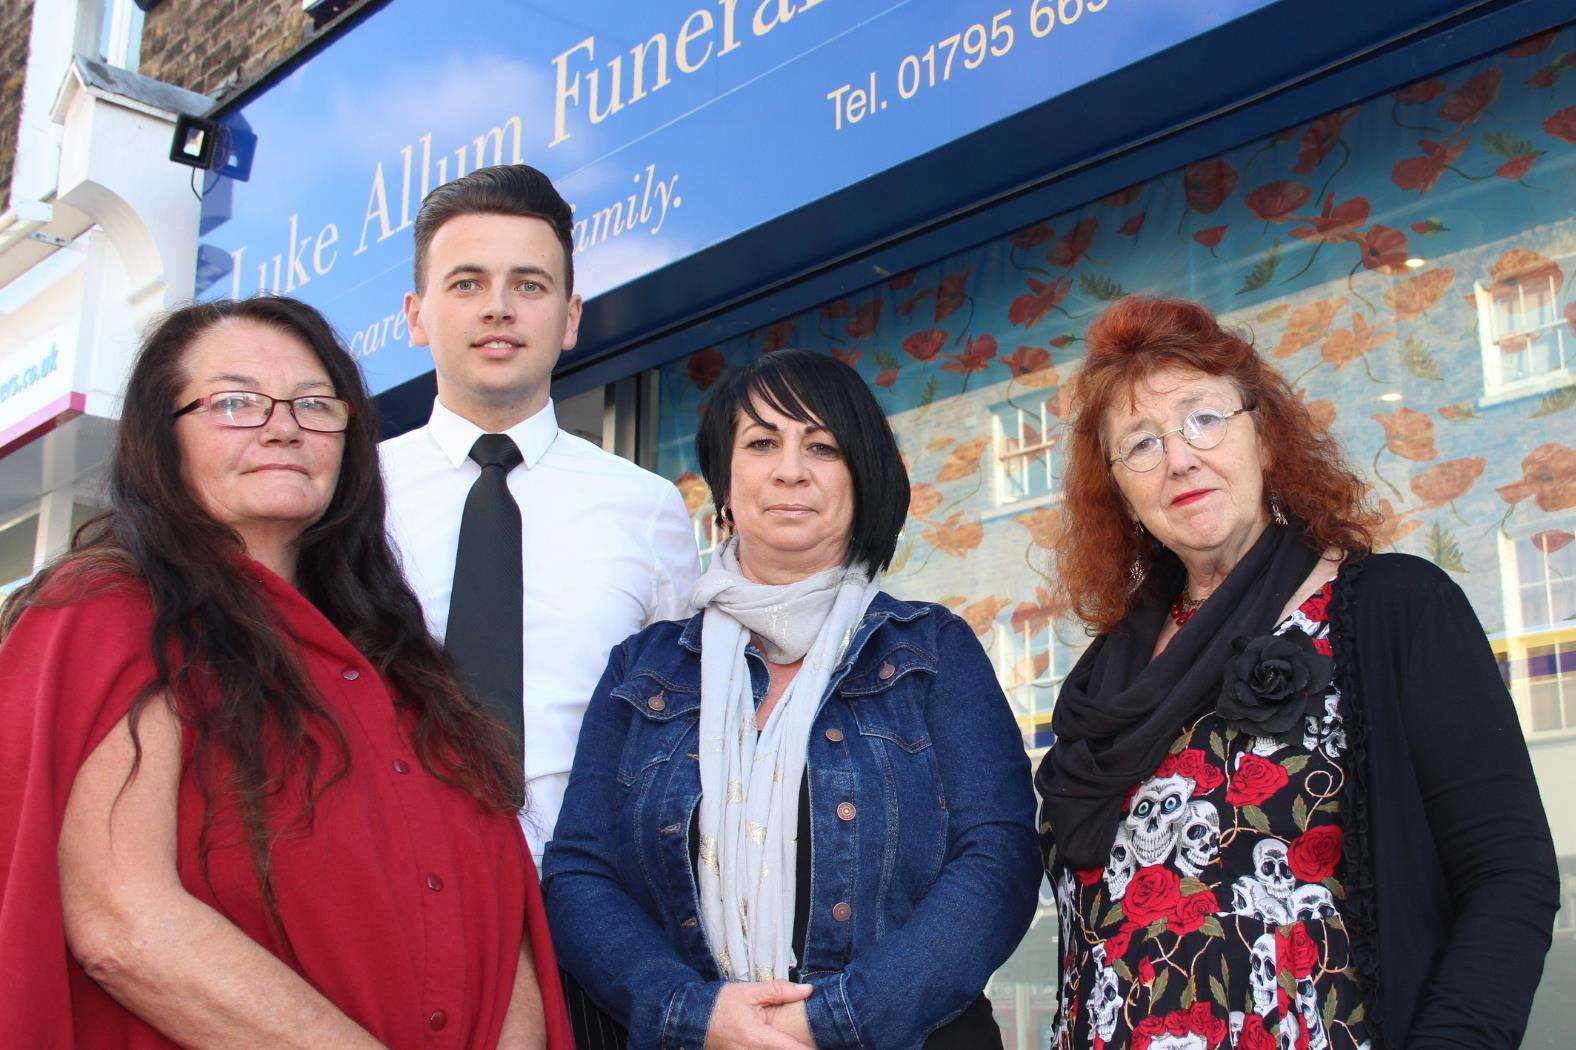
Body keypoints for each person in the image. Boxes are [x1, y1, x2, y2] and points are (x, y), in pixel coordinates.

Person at [0, 296, 571, 1047]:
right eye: (235, 402)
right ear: (160, 439)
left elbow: (505, 921)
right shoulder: (111, 611)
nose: (283, 426)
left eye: (314, 404)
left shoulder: (399, 663)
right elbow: (122, 922)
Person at [1036, 295, 1559, 1049]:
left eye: (1202, 418)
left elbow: (1509, 876)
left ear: (1267, 438)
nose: (1179, 455)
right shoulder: (1103, 678)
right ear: (1120, 491)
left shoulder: (1391, 609)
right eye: (1141, 443)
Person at [543, 348, 1041, 1049]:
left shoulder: (933, 651)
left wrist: (838, 1019)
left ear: (861, 478)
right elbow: (578, 872)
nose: (790, 470)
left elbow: (999, 859)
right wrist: (695, 1014)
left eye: (822, 446)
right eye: (762, 443)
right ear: (724, 481)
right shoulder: (642, 668)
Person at [381, 163, 700, 1045]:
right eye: (467, 283)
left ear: (568, 319)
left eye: (529, 284)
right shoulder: (348, 500)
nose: (498, 308)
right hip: (391, 917)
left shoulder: (648, 510)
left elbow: (681, 735)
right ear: (417, 317)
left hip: (591, 934)